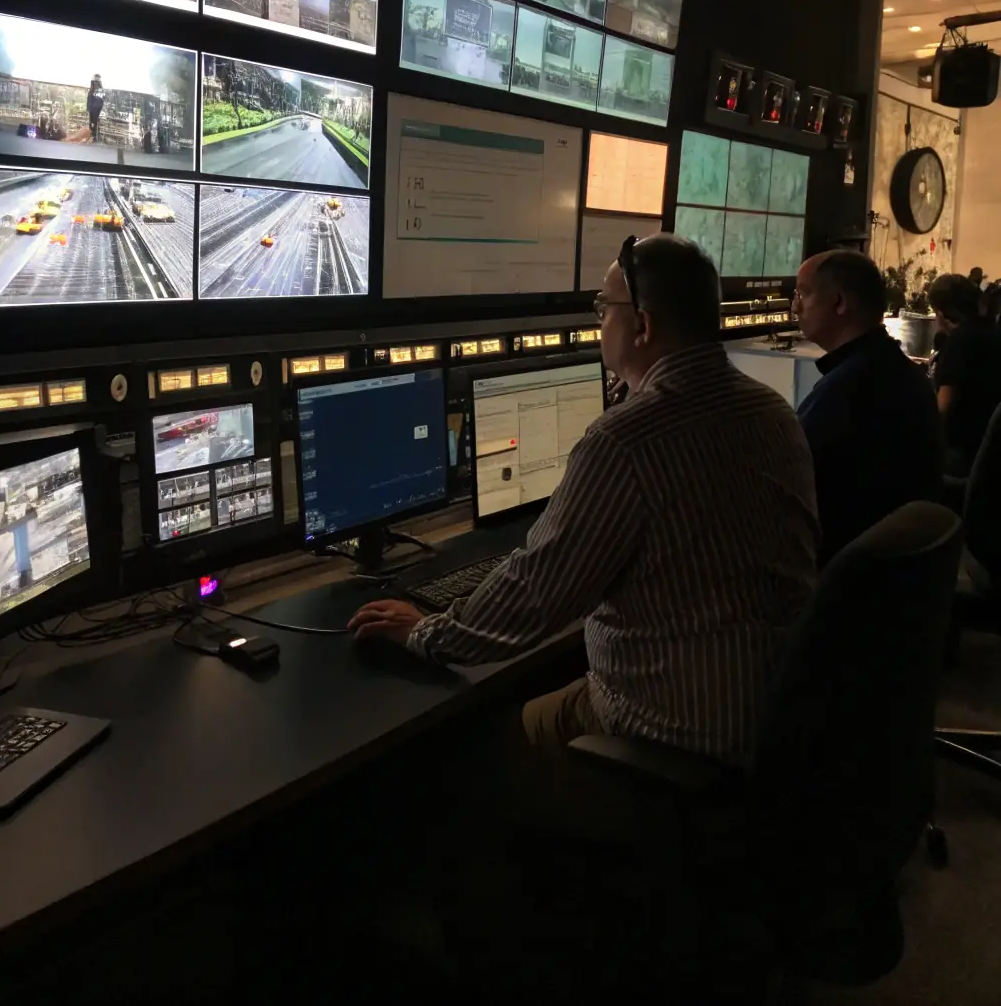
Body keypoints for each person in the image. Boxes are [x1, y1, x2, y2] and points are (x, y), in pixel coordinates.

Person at [350, 234, 818, 769]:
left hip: (672, 731)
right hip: (775, 712)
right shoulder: (772, 411)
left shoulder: (625, 441)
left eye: (603, 307)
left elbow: (531, 600)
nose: (598, 321)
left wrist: (422, 630)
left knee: (479, 737)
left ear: (642, 325)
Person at [794, 250, 942, 567]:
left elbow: (791, 487)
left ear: (839, 302)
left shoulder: (847, 391)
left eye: (803, 294)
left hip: (841, 581)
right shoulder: (898, 371)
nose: (795, 307)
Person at [928, 273, 1001, 476]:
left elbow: (943, 407)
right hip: (990, 456)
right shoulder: (993, 331)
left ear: (941, 314)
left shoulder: (958, 344)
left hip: (960, 456)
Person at [86, 75, 104, 143]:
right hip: (93, 109)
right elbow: (89, 98)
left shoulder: (97, 89)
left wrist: (92, 108)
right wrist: (88, 107)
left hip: (95, 110)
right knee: (92, 123)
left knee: (94, 123)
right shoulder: (93, 89)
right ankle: (92, 135)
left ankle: (93, 136)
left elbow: (100, 100)